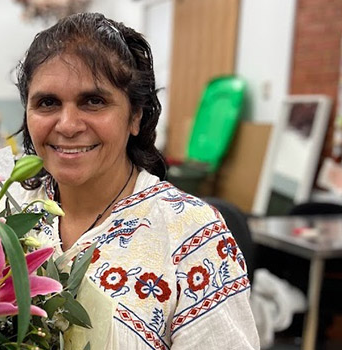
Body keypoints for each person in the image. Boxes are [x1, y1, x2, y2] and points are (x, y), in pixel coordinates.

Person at [14, 12, 259, 349]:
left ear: (135, 116)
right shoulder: (3, 213)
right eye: (48, 102)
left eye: (94, 101)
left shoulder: (190, 234)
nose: (68, 125)